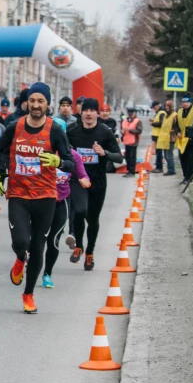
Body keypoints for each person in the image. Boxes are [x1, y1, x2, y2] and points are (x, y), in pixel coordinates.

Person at [0, 82, 74, 313]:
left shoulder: (55, 130)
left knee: (38, 246)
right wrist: (1, 173)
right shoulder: (15, 126)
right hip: (18, 193)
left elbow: (70, 161)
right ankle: (20, 257)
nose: (36, 105)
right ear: (27, 102)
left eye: (41, 101)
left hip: (45, 195)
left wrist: (58, 161)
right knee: (21, 242)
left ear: (47, 104)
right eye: (33, 100)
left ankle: (28, 294)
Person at [67, 97, 123, 270]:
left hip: (97, 182)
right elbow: (62, 151)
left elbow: (119, 157)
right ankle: (79, 246)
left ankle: (90, 252)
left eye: (92, 110)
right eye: (86, 110)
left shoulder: (105, 132)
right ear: (81, 112)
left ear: (97, 113)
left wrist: (104, 152)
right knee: (79, 211)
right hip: (78, 179)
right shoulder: (72, 131)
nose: (89, 114)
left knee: (92, 219)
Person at [43, 119, 90, 289]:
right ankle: (25, 257)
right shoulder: (39, 152)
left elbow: (82, 174)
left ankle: (47, 273)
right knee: (37, 241)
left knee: (53, 241)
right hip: (39, 202)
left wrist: (85, 180)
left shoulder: (73, 155)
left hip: (60, 202)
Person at [153, 99, 179, 176]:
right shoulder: (166, 115)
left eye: (168, 106)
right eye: (166, 106)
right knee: (166, 155)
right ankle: (170, 169)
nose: (166, 107)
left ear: (171, 107)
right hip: (165, 137)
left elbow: (176, 126)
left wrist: (174, 132)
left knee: (169, 154)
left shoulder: (174, 115)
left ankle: (171, 170)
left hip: (171, 137)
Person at [121, 107, 143, 177]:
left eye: (131, 114)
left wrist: (130, 130)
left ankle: (132, 171)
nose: (130, 115)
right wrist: (122, 132)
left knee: (132, 157)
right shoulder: (125, 120)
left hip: (134, 142)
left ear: (134, 113)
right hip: (126, 141)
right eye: (129, 114)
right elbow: (122, 128)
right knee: (127, 157)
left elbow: (139, 131)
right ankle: (128, 170)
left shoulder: (138, 121)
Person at [150, 101, 164, 172]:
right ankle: (158, 166)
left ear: (157, 106)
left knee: (159, 152)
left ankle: (159, 167)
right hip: (157, 135)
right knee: (158, 152)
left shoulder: (161, 113)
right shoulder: (159, 113)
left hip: (159, 135)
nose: (153, 109)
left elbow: (162, 123)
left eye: (154, 107)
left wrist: (153, 123)